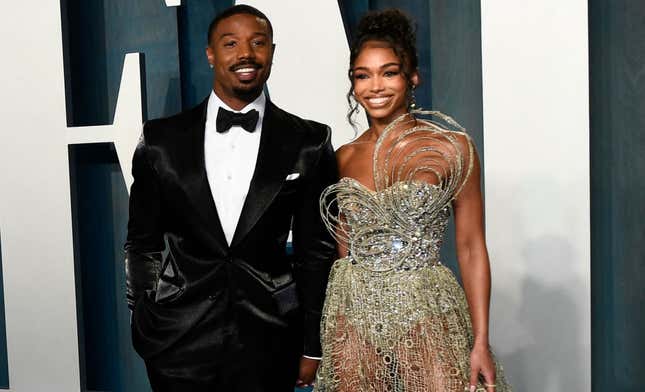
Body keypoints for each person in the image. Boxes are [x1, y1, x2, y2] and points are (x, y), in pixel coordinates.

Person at [124, 5, 338, 391]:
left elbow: (315, 253)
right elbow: (142, 243)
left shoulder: (309, 141)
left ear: (272, 51)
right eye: (230, 43)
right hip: (177, 339)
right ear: (210, 54)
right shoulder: (160, 140)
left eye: (258, 43)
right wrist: (145, 317)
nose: (246, 54)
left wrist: (312, 343)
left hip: (270, 335)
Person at [316, 9, 511, 392]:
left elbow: (471, 247)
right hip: (354, 315)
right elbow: (343, 251)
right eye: (363, 75)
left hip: (426, 310)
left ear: (412, 77)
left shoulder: (452, 148)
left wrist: (480, 341)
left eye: (389, 72)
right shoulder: (343, 157)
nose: (376, 86)